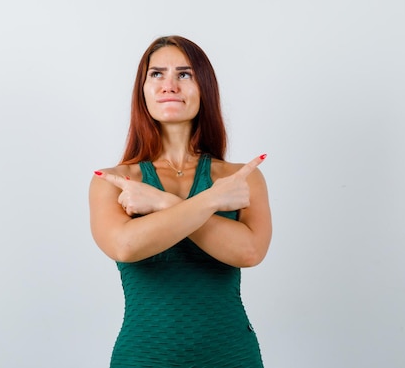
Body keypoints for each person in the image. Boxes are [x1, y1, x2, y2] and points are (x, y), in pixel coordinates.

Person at [89, 35, 272, 367]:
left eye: (184, 74)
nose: (169, 85)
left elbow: (249, 251)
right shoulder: (114, 181)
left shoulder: (238, 178)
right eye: (156, 74)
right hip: (144, 357)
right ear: (142, 91)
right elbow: (125, 246)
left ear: (203, 88)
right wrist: (212, 201)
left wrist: (161, 202)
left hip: (230, 356)